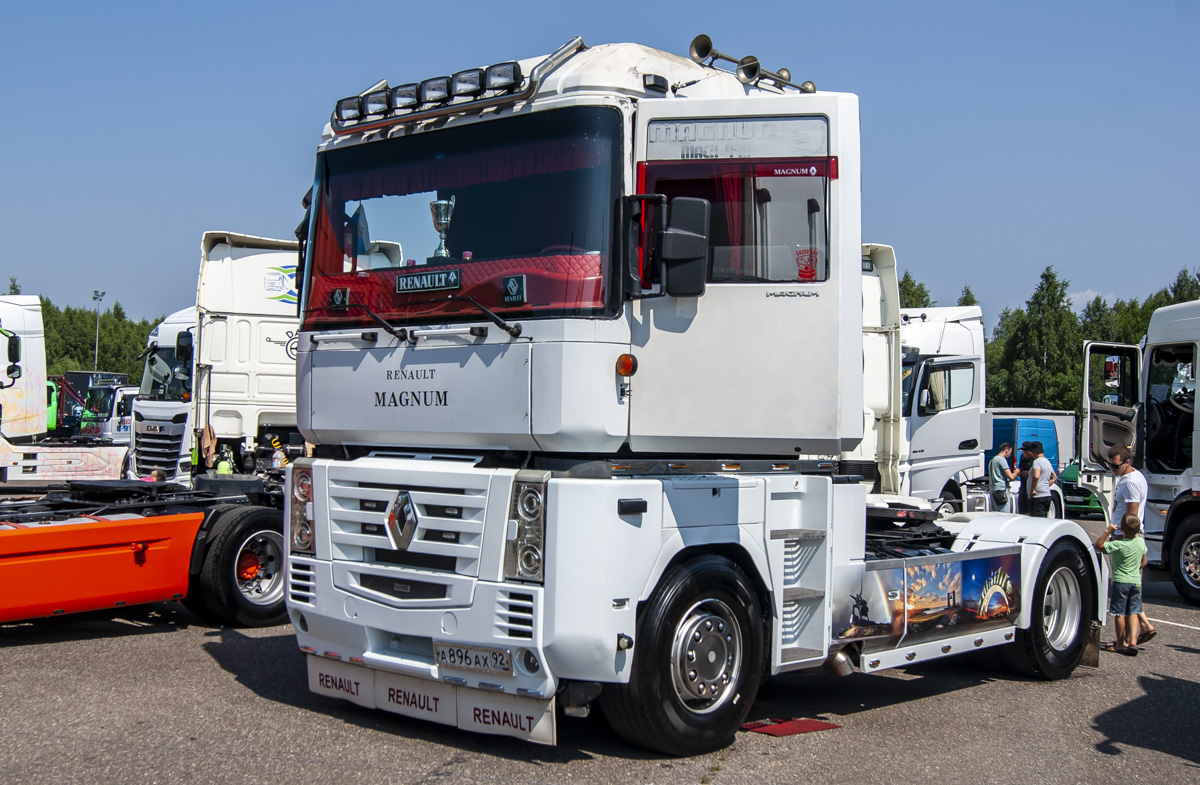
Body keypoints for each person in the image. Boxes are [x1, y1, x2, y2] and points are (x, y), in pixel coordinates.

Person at [1107, 444, 1157, 645]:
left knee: (1124, 586)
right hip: (1126, 536)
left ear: (1127, 462)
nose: (1112, 469)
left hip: (1125, 536)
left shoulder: (1130, 482)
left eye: (1115, 466)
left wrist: (1123, 538)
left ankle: (1127, 640)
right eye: (1109, 465)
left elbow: (1132, 516)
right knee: (1130, 586)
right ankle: (1143, 627)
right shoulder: (1130, 477)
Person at [1094, 513, 1148, 655]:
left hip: (1120, 581)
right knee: (1133, 612)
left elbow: (1098, 545)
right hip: (1136, 582)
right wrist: (1135, 569)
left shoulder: (1118, 545)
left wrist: (1108, 531)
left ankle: (1120, 643)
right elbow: (1144, 563)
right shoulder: (1141, 543)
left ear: (1121, 529)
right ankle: (1133, 642)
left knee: (1119, 614)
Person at [1027, 441, 1057, 517]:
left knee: (1037, 521)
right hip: (1046, 495)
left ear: (1034, 452)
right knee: (1043, 518)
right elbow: (1054, 477)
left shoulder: (1037, 462)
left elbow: (1036, 476)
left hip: (1038, 497)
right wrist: (1045, 485)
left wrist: (1032, 490)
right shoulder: (1047, 462)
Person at [988, 443, 1020, 510]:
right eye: (1010, 452)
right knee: (1004, 515)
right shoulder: (1001, 459)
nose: (1009, 454)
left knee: (996, 515)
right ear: (1006, 450)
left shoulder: (992, 460)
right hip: (1001, 491)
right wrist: (1016, 472)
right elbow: (1011, 476)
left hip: (993, 490)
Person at [1016, 442, 1035, 514]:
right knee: (1022, 509)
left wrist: (1027, 474)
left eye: (1025, 452)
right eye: (1023, 452)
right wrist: (1019, 472)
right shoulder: (1022, 457)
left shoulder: (1035, 459)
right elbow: (1020, 468)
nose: (1024, 453)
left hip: (1031, 487)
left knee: (1030, 510)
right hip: (1023, 487)